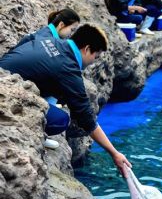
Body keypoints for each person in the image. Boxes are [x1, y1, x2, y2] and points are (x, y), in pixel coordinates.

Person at [0, 24, 131, 177]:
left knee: (58, 91)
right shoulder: (68, 67)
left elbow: (29, 38)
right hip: (7, 99)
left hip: (4, 76)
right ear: (87, 49)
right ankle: (35, 132)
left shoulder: (52, 40)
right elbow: (86, 119)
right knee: (60, 120)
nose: (94, 62)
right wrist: (114, 153)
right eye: (95, 57)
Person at [13, 8, 80, 49]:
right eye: (72, 30)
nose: (71, 34)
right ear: (61, 25)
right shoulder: (48, 40)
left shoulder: (45, 32)